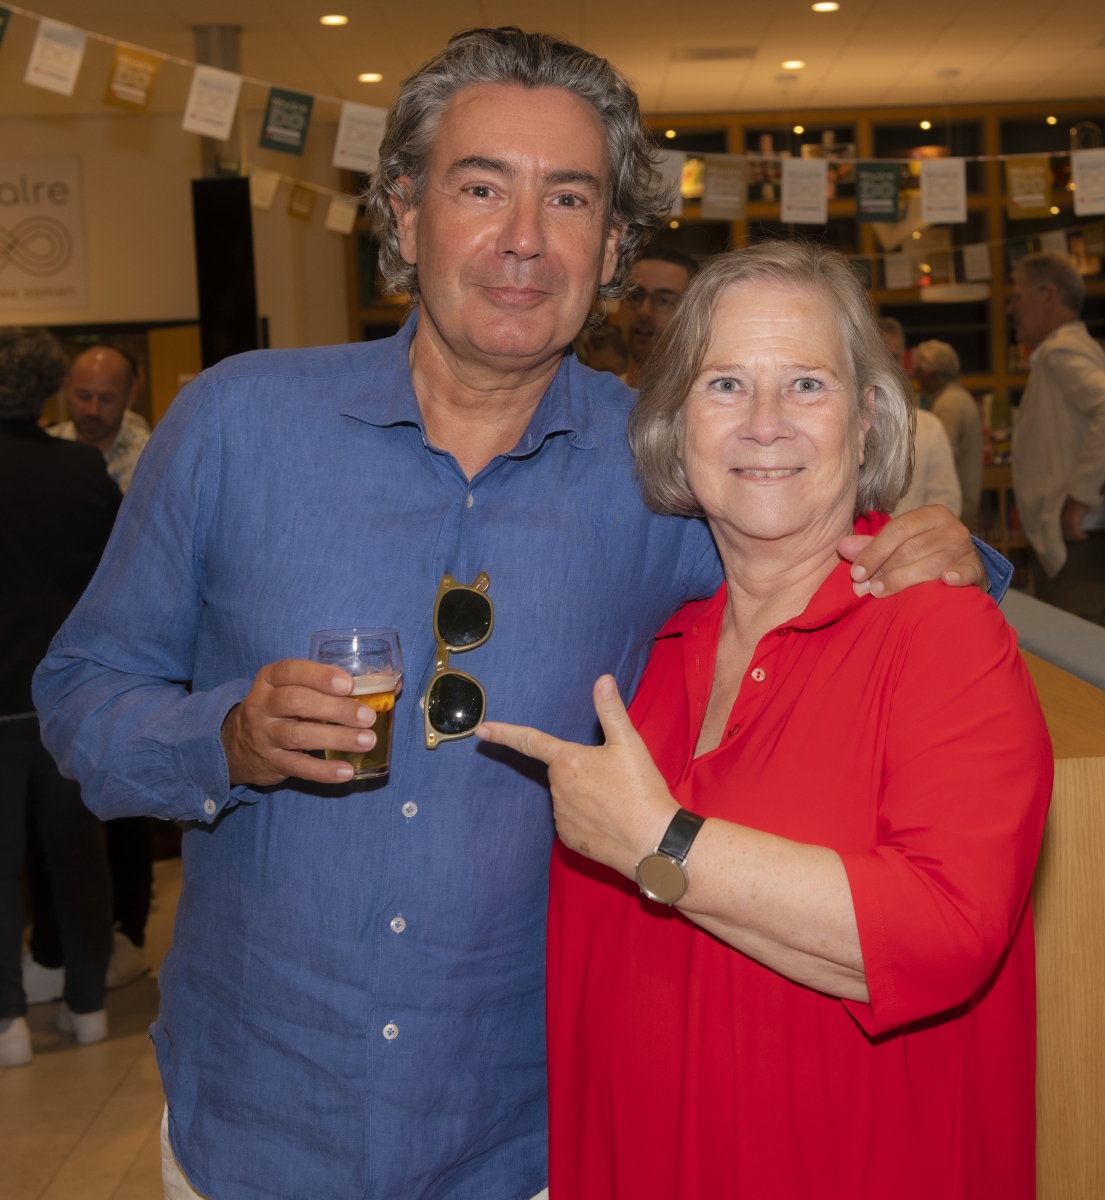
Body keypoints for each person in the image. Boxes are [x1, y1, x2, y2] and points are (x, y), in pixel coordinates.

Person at [34, 29, 1003, 1200]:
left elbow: (825, 548)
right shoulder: (236, 426)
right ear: (405, 215)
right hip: (255, 1122)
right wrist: (224, 738)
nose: (525, 239)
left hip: (523, 1144)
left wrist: (941, 546)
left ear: (613, 247)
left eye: (570, 199)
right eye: (482, 187)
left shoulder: (666, 469)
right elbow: (81, 696)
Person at [479, 242, 1052, 1199]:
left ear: (867, 423)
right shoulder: (650, 656)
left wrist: (662, 842)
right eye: (725, 384)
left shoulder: (940, 638)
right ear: (674, 427)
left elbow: (948, 929)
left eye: (806, 385)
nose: (763, 423)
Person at [0, 328, 118, 1067]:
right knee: (78, 859)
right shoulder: (82, 470)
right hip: (67, 700)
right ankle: (87, 1004)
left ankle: (6, 1021)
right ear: (50, 387)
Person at [43, 345, 153, 992]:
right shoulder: (50, 449)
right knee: (59, 805)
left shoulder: (159, 454)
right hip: (63, 649)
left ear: (130, 394)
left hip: (138, 654)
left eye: (105, 398)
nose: (90, 409)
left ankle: (128, 935)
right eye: (81, 395)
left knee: (127, 800)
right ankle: (59, 946)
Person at [1009, 251, 1105, 624]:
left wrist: (1080, 499)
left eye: (1017, 296)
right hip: (1075, 539)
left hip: (1075, 542)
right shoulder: (1071, 349)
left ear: (1048, 295)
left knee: (1080, 653)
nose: (1011, 308)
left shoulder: (1062, 351)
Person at [878, 318, 962, 518]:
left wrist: (901, 536)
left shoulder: (929, 427)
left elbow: (946, 507)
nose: (886, 366)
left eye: (894, 357)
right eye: (878, 355)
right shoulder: (839, 427)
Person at [49, 345, 150, 493]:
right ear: (67, 389)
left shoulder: (150, 458)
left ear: (130, 397)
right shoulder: (45, 449)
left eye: (106, 399)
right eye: (83, 397)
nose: (93, 410)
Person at [915, 339, 984, 530]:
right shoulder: (956, 396)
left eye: (920, 370)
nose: (916, 375)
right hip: (963, 498)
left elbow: (940, 460)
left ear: (933, 373)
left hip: (956, 504)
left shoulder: (949, 404)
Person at [616, 246, 698, 385]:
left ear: (692, 317)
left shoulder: (705, 398)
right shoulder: (595, 396)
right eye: (635, 296)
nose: (644, 311)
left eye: (664, 301)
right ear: (620, 307)